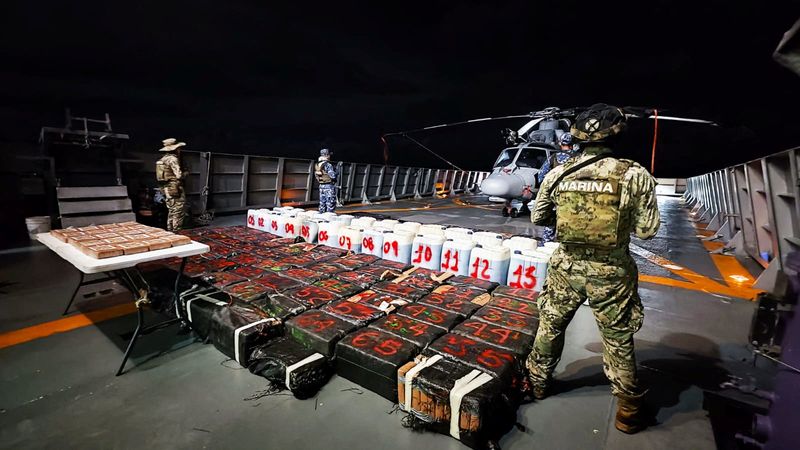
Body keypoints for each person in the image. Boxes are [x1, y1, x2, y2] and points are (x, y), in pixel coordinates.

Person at [527, 104, 660, 434]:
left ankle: (538, 384)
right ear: (616, 134)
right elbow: (647, 231)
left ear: (577, 137)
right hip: (611, 271)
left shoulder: (559, 173)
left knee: (551, 325)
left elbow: (539, 218)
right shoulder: (633, 174)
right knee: (617, 338)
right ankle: (628, 410)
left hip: (566, 267)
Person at [537, 133, 576, 243]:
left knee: (550, 226)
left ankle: (545, 247)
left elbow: (541, 176)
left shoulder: (553, 158)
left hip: (554, 198)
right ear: (572, 144)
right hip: (572, 198)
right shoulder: (578, 158)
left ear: (560, 143)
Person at [155, 138, 188, 231]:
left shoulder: (162, 159)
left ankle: (170, 231)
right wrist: (185, 173)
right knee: (178, 211)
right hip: (175, 188)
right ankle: (177, 232)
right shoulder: (173, 159)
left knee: (171, 211)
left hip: (166, 188)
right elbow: (179, 175)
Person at [315, 148, 338, 213]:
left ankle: (321, 217)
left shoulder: (317, 164)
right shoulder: (328, 165)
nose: (330, 156)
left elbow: (316, 175)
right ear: (327, 155)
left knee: (322, 203)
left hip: (321, 186)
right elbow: (332, 176)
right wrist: (336, 173)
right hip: (329, 186)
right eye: (329, 155)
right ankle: (329, 218)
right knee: (330, 203)